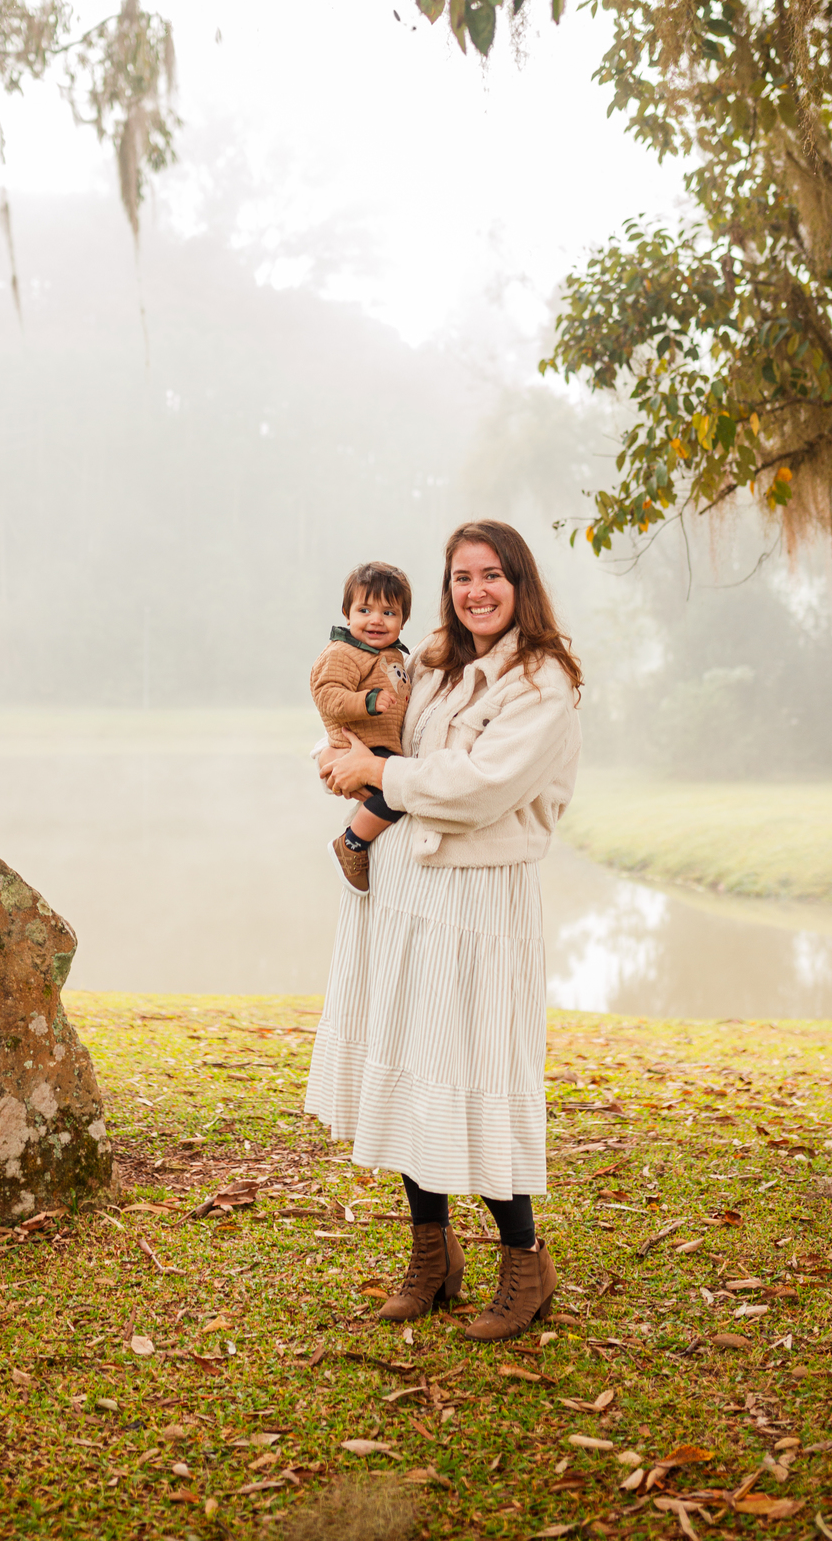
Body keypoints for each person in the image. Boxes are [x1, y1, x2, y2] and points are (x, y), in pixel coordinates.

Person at [305, 520, 582, 1342]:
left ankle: (526, 1265)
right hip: (400, 897)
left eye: (492, 575)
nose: (476, 591)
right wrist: (339, 756)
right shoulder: (430, 663)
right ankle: (433, 1258)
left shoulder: (542, 682)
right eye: (462, 577)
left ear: (520, 583)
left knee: (472, 1073)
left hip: (477, 907)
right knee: (406, 1070)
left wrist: (377, 774)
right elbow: (379, 735)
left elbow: (478, 785)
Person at [310, 561, 414, 896]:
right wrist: (367, 701)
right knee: (395, 793)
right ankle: (352, 843)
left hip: (380, 746)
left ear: (403, 620)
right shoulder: (344, 652)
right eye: (365, 609)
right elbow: (327, 695)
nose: (376, 620)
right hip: (361, 743)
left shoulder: (393, 654)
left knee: (396, 789)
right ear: (347, 613)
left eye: (389, 613)